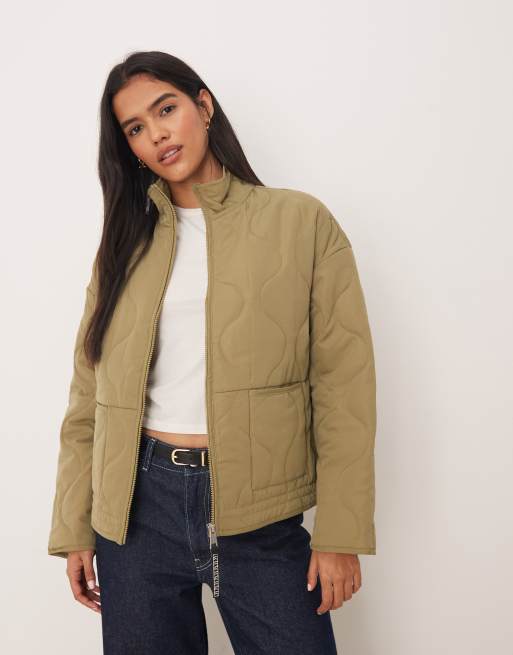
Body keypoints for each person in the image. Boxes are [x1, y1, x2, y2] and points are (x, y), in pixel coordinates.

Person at [47, 50, 377, 655]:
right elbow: (87, 394)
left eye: (165, 109)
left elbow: (343, 387)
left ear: (203, 106)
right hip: (136, 513)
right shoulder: (124, 245)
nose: (157, 135)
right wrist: (74, 527)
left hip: (258, 513)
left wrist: (340, 531)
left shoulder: (300, 223)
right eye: (135, 128)